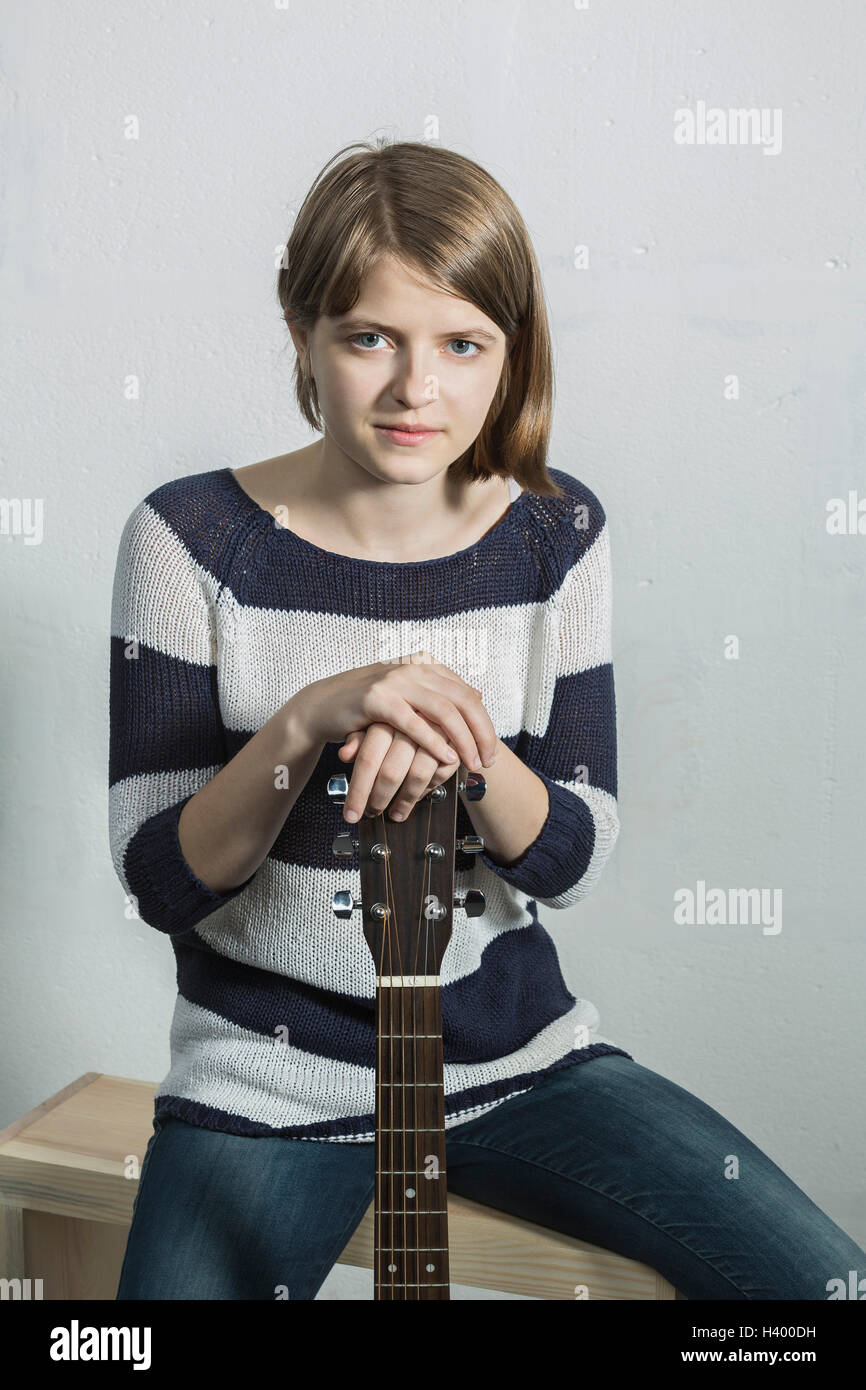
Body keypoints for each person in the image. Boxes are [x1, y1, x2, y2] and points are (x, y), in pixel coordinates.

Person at [110, 138, 864, 1300]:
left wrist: (460, 741)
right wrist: (311, 718)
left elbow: (571, 856)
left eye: (462, 344)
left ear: (508, 354)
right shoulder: (191, 540)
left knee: (822, 1294)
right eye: (371, 338)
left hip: (515, 1062)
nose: (419, 390)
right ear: (302, 328)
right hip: (265, 1089)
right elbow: (161, 878)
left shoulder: (553, 536)